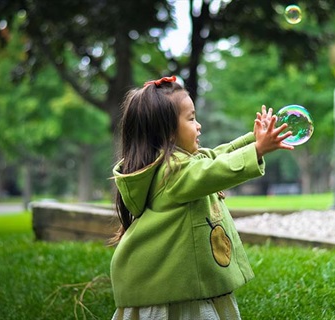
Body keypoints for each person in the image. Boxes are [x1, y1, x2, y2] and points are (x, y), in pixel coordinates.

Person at [110, 75, 294, 320]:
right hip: (173, 290)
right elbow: (216, 170)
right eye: (191, 118)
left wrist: (253, 139)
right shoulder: (172, 173)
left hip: (182, 282)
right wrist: (257, 150)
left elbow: (217, 156)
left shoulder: (179, 163)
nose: (199, 126)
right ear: (169, 133)